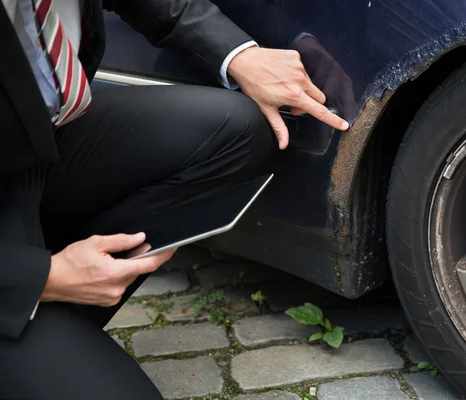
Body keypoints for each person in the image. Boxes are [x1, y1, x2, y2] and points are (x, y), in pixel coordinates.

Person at [0, 0, 349, 399]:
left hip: (34, 149)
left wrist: (241, 56)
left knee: (235, 131)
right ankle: (38, 329)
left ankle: (57, 328)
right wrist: (42, 278)